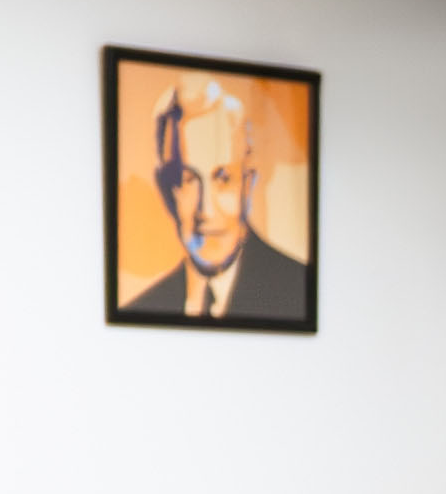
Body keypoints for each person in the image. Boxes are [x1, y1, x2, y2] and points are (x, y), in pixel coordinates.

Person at [125, 76, 312, 323]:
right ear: (165, 189)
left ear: (249, 182)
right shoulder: (145, 307)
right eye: (187, 180)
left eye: (223, 178)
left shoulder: (297, 288)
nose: (207, 210)